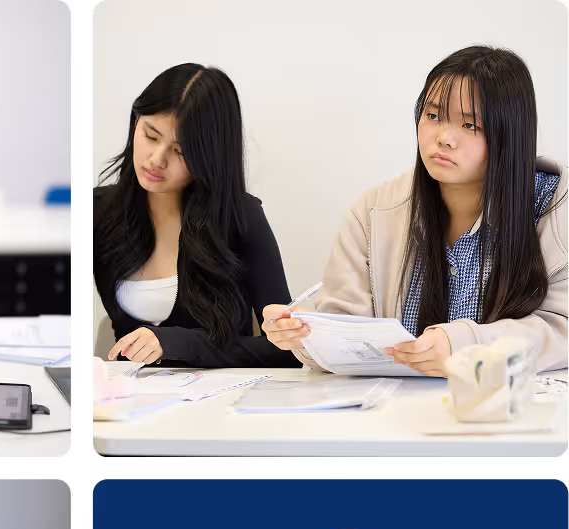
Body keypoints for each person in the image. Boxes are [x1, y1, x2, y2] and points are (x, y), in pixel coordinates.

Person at [95, 47, 568, 374]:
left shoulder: (554, 207)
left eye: (470, 124)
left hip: (515, 416)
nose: (443, 136)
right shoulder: (374, 212)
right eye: (433, 114)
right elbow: (346, 335)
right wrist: (306, 338)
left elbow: (560, 330)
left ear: (510, 136)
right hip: (391, 421)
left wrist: (460, 345)